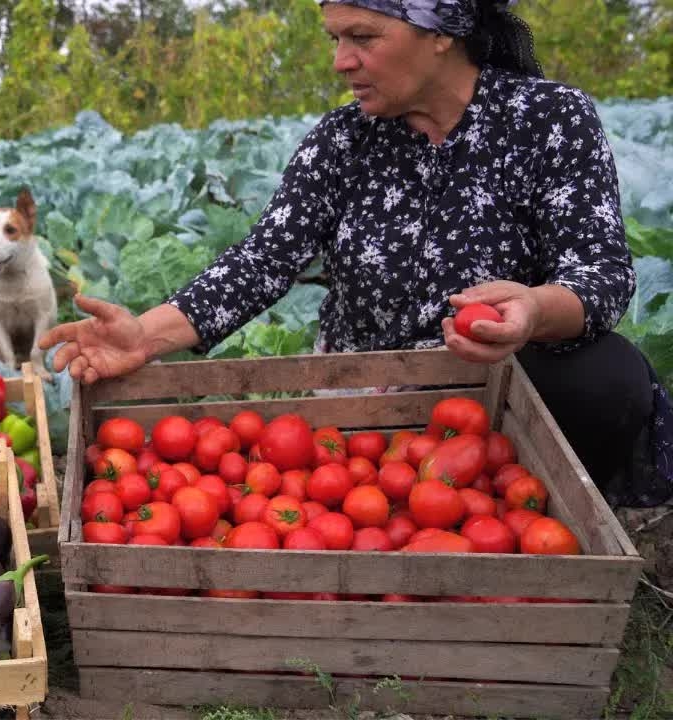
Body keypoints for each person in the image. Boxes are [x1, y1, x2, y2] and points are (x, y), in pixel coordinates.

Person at [40, 0, 671, 510]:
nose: (343, 61)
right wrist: (144, 336)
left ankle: (541, 509)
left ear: (441, 30)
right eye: (335, 38)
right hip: (367, 405)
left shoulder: (549, 120)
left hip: (499, 391)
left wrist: (533, 308)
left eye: (363, 36)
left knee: (608, 377)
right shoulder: (343, 140)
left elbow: (602, 274)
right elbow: (263, 260)